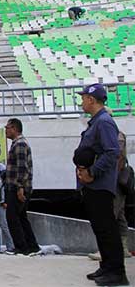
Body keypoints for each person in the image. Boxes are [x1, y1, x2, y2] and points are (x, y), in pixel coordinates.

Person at [74, 83, 129, 286]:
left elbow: (112, 152)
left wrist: (92, 173)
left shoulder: (104, 122)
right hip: (92, 185)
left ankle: (116, 272)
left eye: (83, 98)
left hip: (99, 184)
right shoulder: (96, 122)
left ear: (91, 100)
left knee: (107, 229)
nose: (81, 101)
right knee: (100, 228)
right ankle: (107, 266)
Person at [89, 131, 133, 260]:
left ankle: (107, 249)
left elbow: (116, 157)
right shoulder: (116, 135)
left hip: (115, 180)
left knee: (111, 214)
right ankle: (122, 248)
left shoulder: (116, 136)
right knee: (120, 215)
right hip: (116, 180)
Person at [4, 118, 40, 256]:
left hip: (17, 187)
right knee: (21, 217)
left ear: (14, 128)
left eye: (7, 128)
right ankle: (32, 246)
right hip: (18, 186)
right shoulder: (18, 143)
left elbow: (22, 168)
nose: (6, 130)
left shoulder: (19, 144)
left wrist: (20, 188)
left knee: (13, 217)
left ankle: (21, 247)